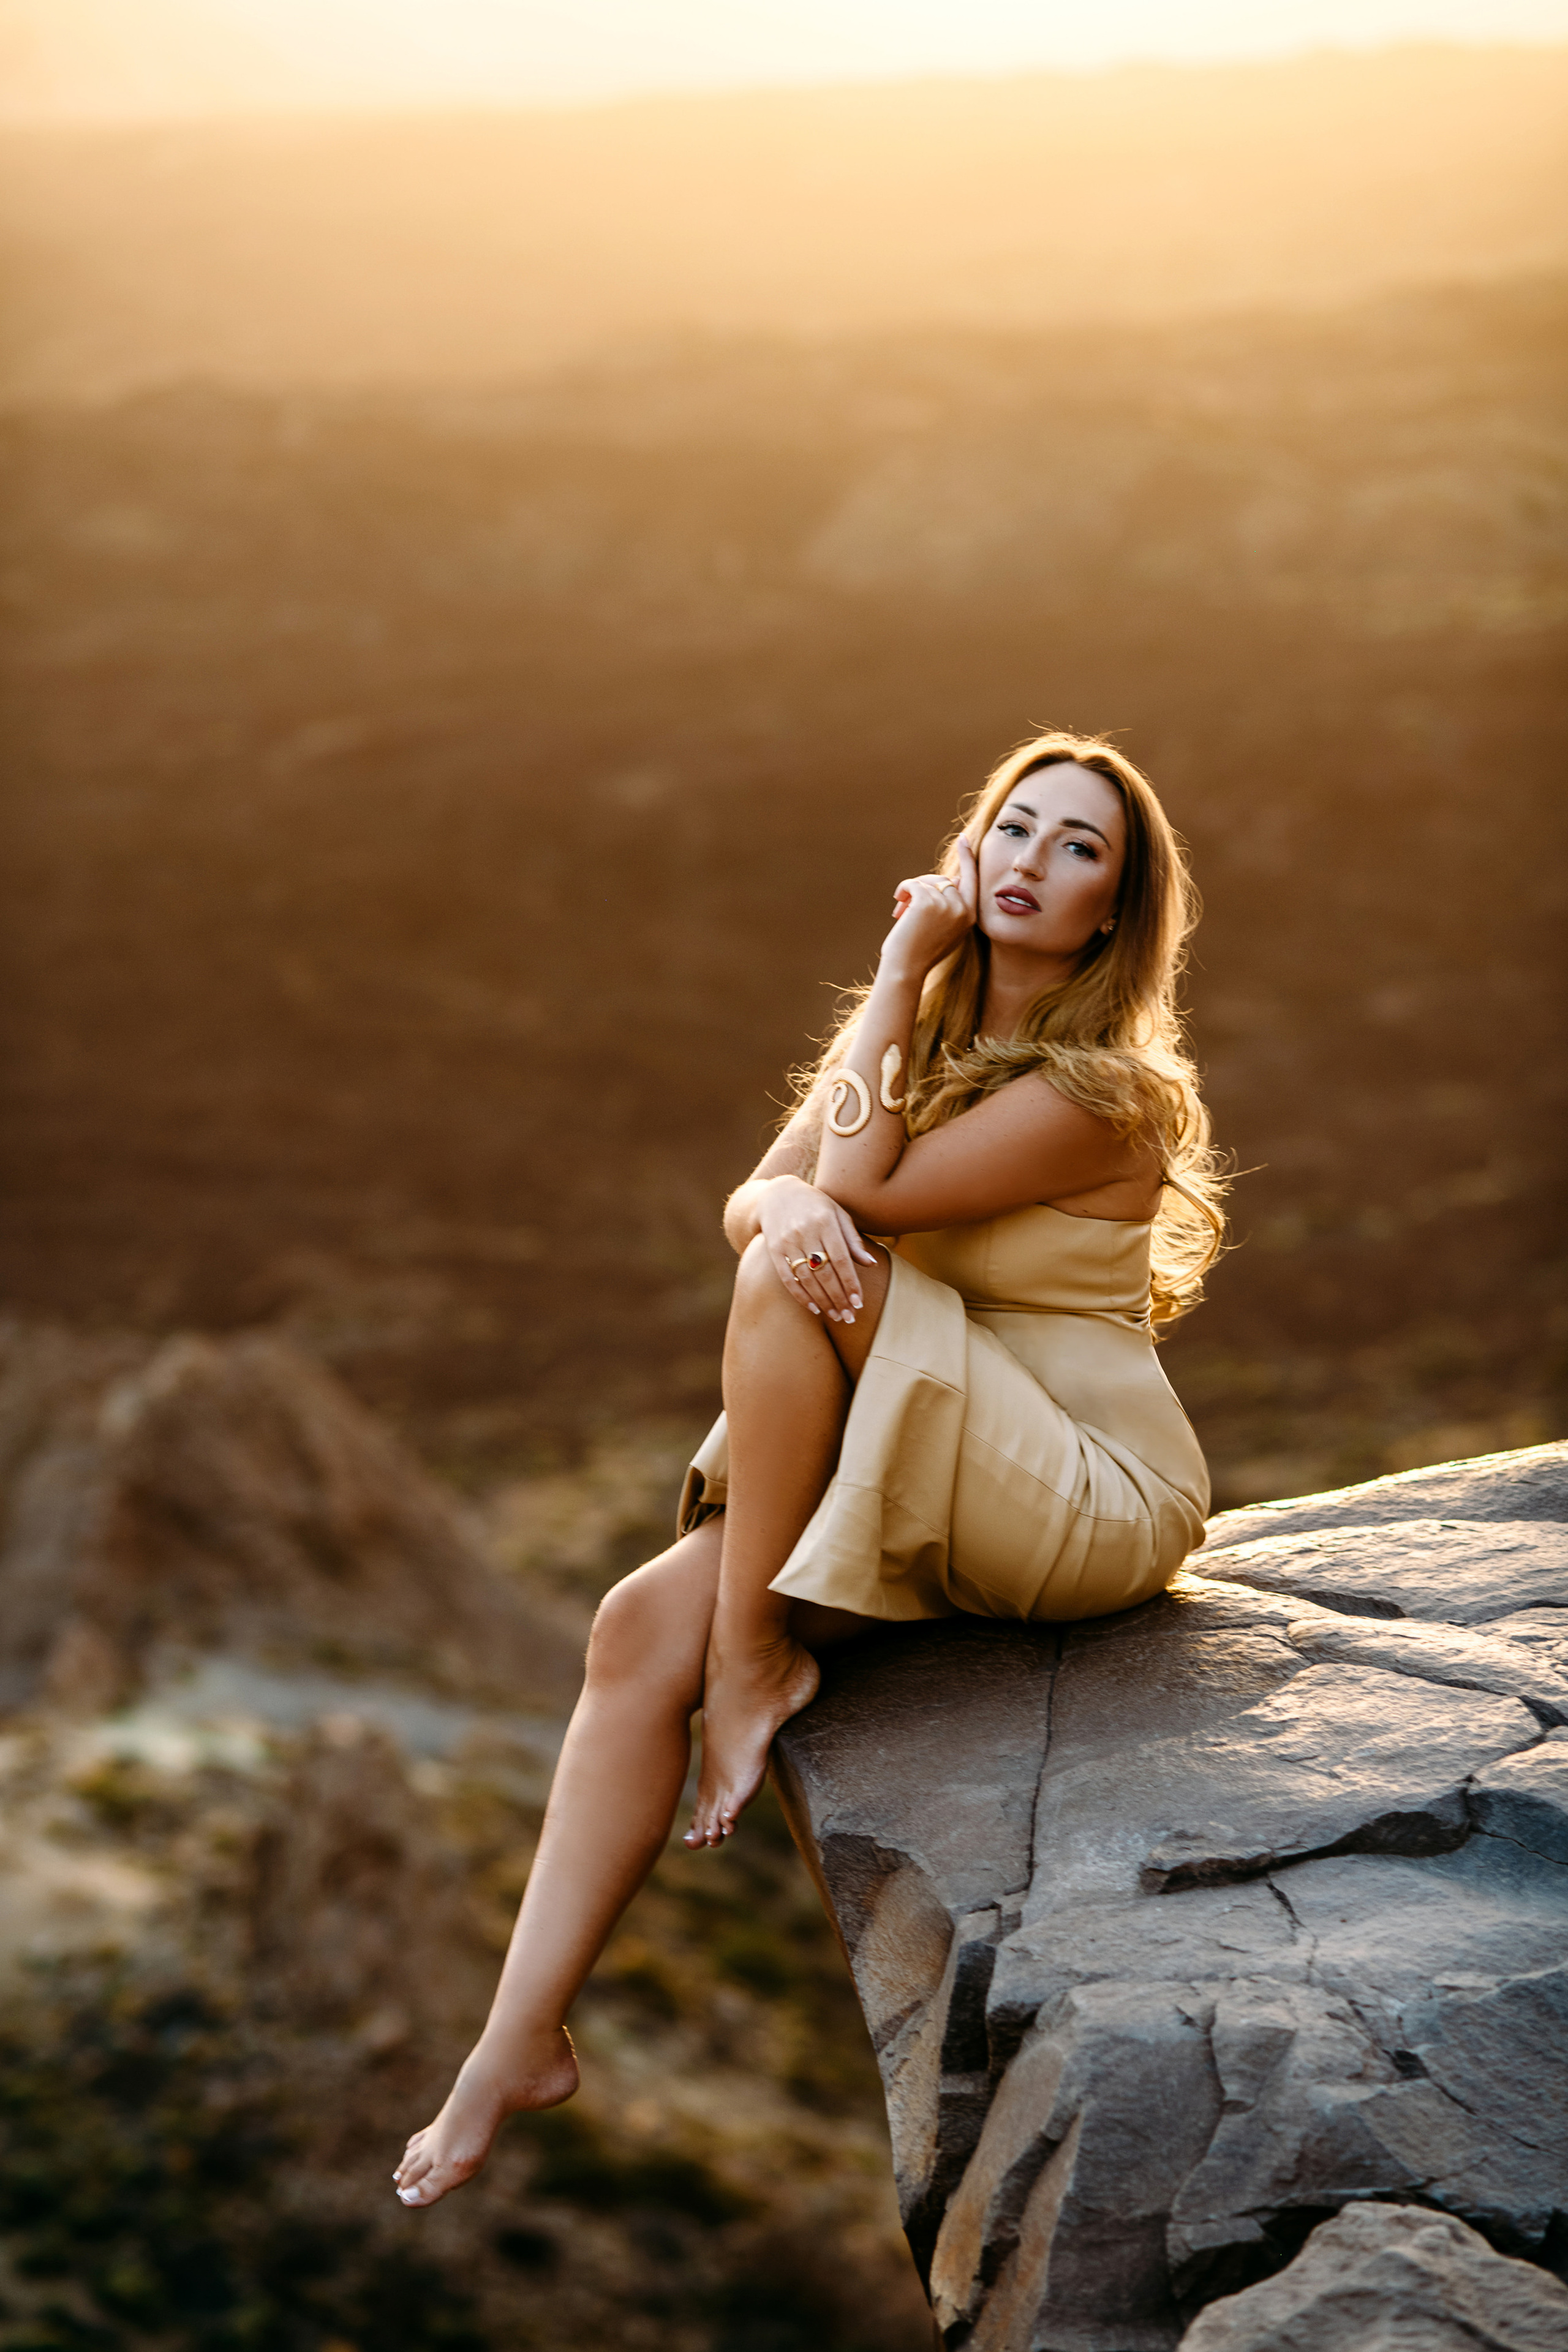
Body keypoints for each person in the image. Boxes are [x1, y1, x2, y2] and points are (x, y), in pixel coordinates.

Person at [393, 730, 1224, 2209]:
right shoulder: (920, 1050)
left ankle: (757, 1656)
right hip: (953, 1449)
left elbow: (845, 1197)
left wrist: (895, 981)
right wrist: (868, 1064)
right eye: (1011, 829)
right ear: (969, 856)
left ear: (1112, 911)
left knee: (800, 1270)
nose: (1031, 861)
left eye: (1076, 848)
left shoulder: (1107, 1090)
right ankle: (511, 2050)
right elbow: (754, 1200)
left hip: (1086, 1490)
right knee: (633, 1630)